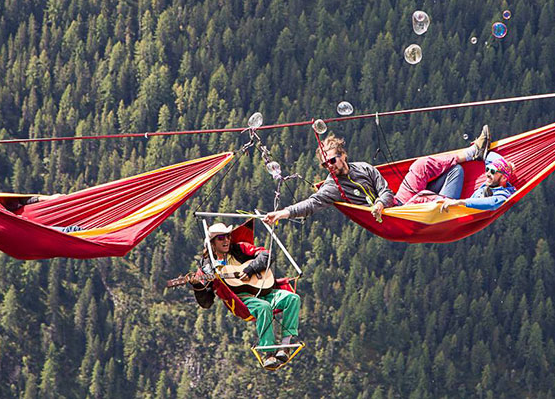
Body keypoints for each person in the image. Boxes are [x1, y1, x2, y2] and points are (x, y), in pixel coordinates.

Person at [189, 223, 301, 369]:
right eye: (221, 238)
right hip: (242, 300)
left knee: (293, 298)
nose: (226, 240)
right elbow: (206, 303)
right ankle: (269, 353)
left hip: (263, 290)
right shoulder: (207, 268)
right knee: (264, 307)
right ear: (212, 243)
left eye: (228, 236)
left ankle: (285, 345)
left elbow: (267, 255)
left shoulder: (239, 248)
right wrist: (198, 286)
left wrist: (250, 269)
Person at [263, 134, 394, 224]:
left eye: (332, 160)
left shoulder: (364, 168)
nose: (329, 166)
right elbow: (311, 204)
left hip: (398, 208)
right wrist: (284, 213)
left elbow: (387, 192)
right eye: (325, 164)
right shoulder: (333, 187)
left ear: (343, 155)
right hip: (385, 221)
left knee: (416, 166)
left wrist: (380, 204)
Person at [394, 125, 491, 206]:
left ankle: (472, 153)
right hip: (406, 215)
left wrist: (381, 201)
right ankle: (475, 202)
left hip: (399, 199)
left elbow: (382, 189)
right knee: (431, 202)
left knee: (422, 166)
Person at [438, 153, 517, 212]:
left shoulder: (504, 193)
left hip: (453, 211)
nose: (487, 174)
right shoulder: (492, 182)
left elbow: (493, 203)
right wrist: (507, 163)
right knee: (456, 169)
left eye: (493, 171)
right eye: (487, 169)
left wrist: (461, 202)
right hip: (454, 203)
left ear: (503, 178)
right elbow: (488, 155)